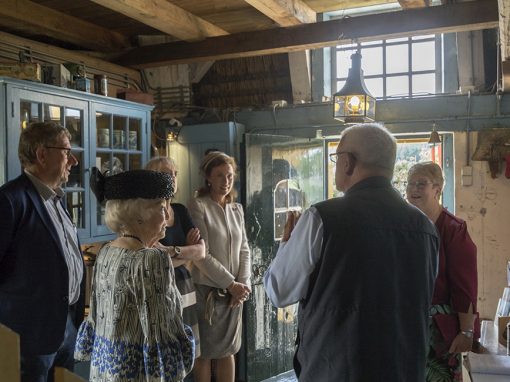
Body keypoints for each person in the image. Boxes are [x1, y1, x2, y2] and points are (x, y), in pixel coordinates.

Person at [263, 123, 439, 382]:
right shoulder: (424, 227)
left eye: (337, 158)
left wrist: (286, 246)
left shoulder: (323, 218)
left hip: (335, 369)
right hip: (403, 369)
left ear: (348, 162)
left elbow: (279, 291)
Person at [74, 168, 205, 381]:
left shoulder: (107, 251)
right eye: (162, 208)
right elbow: (163, 339)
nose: (167, 216)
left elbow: (94, 323)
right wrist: (186, 347)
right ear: (139, 216)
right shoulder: (152, 260)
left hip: (105, 371)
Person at [0, 121, 85, 382]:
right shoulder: (10, 200)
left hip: (67, 327)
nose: (74, 160)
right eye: (66, 151)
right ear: (41, 154)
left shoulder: (58, 200)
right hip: (28, 335)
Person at [406, 161, 478, 381]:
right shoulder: (406, 225)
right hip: (407, 325)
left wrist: (467, 331)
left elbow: (465, 286)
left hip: (440, 330)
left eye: (421, 184)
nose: (414, 189)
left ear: (437, 189)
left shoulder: (454, 230)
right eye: (410, 184)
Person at [188, 151, 251, 382]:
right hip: (208, 292)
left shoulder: (237, 209)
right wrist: (231, 283)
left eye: (230, 176)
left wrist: (242, 285)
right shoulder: (198, 206)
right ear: (208, 178)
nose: (226, 181)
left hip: (236, 295)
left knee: (229, 350)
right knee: (204, 353)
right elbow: (201, 256)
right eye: (220, 175)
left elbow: (245, 249)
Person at [145, 157, 203, 370]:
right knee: (165, 357)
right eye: (166, 173)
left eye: (175, 174)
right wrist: (186, 253)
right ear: (152, 177)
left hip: (185, 288)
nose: (173, 178)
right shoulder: (146, 211)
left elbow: (201, 251)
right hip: (160, 290)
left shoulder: (179, 209)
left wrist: (171, 251)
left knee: (187, 355)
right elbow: (152, 257)